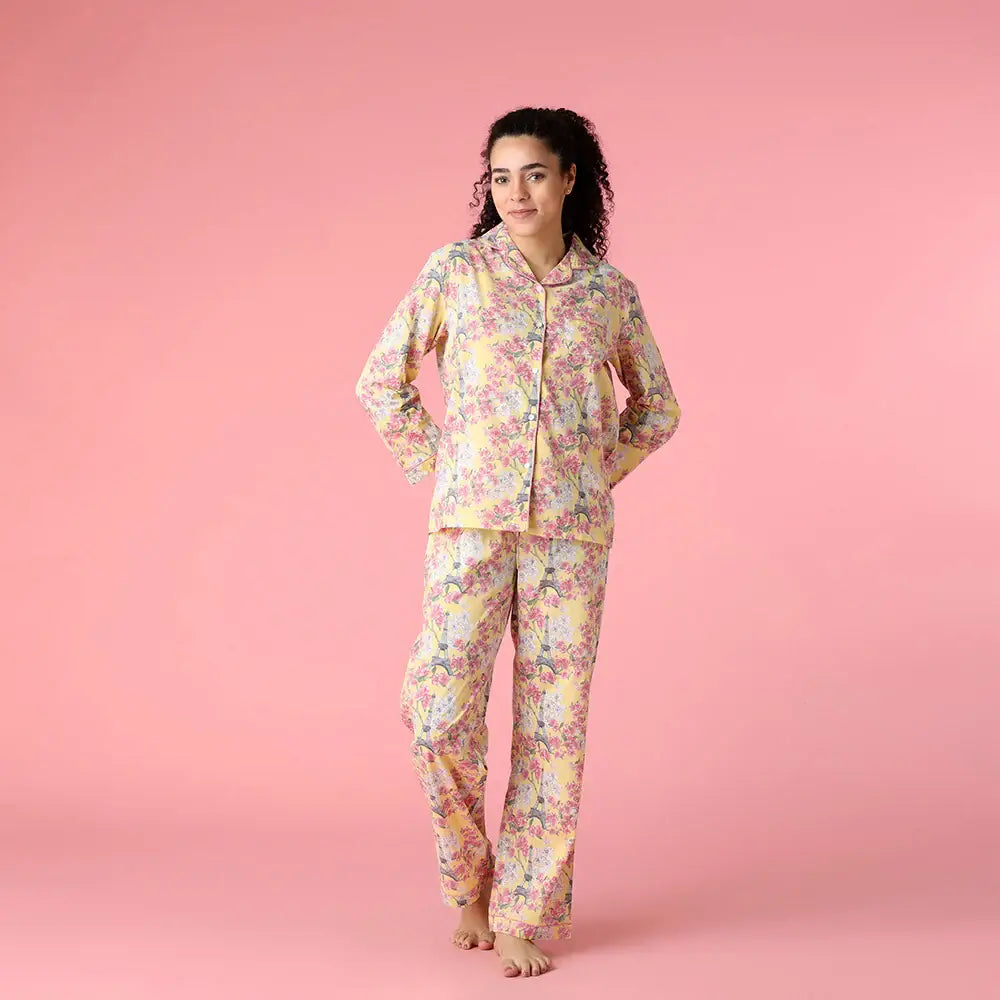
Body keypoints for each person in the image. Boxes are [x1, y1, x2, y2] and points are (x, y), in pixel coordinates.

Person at [355, 106, 682, 978]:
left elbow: (658, 409)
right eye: (501, 177)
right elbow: (382, 381)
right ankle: (471, 878)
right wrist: (445, 466)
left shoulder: (608, 294)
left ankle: (523, 910)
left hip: (570, 541)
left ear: (571, 179)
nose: (517, 192)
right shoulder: (457, 272)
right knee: (437, 714)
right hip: (470, 527)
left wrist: (591, 475)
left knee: (553, 724)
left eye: (535, 173)